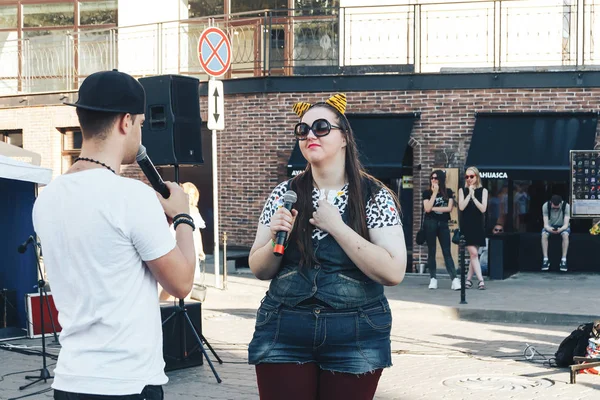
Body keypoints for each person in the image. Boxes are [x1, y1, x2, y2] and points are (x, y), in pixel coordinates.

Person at [32, 70, 196, 400]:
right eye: (140, 123)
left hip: (71, 380)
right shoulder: (132, 197)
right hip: (126, 382)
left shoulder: (46, 197)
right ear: (125, 122)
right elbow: (181, 284)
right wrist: (182, 216)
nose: (140, 131)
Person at [247, 93, 406, 400]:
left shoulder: (374, 195)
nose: (310, 135)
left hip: (356, 331)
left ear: (344, 136)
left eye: (321, 127)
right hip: (284, 326)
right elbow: (259, 268)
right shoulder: (285, 193)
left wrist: (337, 227)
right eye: (302, 130)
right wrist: (277, 237)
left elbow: (393, 270)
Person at [159, 182, 207, 301]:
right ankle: (161, 302)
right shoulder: (172, 209)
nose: (190, 197)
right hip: (175, 242)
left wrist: (200, 250)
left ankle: (185, 307)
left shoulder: (194, 212)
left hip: (191, 246)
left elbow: (196, 232)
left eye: (192, 194)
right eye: (188, 194)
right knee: (173, 280)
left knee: (189, 281)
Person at [422, 169, 460, 290]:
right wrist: (434, 193)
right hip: (430, 223)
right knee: (432, 251)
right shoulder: (427, 193)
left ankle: (454, 279)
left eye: (436, 178)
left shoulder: (448, 192)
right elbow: (426, 209)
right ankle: (433, 279)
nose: (433, 180)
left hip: (443, 223)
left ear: (441, 180)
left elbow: (449, 208)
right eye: (432, 178)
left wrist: (432, 208)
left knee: (447, 251)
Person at [458, 166, 488, 290]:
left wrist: (474, 196)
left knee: (473, 255)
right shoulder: (462, 190)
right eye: (467, 176)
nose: (469, 179)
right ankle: (481, 280)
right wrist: (469, 195)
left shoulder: (483, 191)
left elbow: (483, 208)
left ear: (476, 177)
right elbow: (461, 207)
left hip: (478, 225)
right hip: (467, 226)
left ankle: (468, 280)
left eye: (472, 176)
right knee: (474, 254)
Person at [541, 194, 570, 272]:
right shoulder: (545, 206)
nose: (555, 209)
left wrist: (560, 230)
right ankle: (545, 259)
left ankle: (563, 260)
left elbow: (566, 225)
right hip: (550, 225)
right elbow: (545, 224)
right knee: (544, 235)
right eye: (554, 207)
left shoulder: (566, 206)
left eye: (557, 208)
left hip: (562, 226)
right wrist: (550, 229)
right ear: (551, 203)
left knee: (565, 235)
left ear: (560, 203)